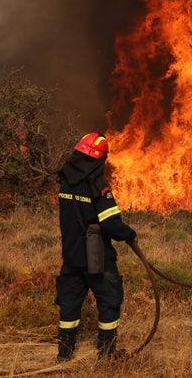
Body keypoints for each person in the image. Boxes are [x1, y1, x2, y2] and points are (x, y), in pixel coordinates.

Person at [55, 132, 137, 362]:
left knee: (69, 306)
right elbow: (111, 225)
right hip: (97, 260)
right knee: (109, 300)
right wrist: (130, 234)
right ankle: (106, 353)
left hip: (71, 258)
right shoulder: (98, 189)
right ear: (98, 160)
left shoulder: (65, 186)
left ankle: (64, 355)